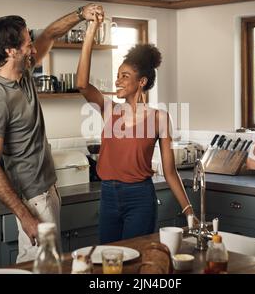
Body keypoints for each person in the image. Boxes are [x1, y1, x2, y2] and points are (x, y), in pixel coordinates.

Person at [0, 4, 104, 263]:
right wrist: (25, 216)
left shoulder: (23, 73)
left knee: (47, 264)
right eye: (27, 44)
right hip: (33, 199)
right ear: (11, 51)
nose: (33, 49)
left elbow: (49, 35)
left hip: (47, 189)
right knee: (40, 266)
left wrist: (81, 14)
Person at [76, 15, 196, 244]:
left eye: (124, 76)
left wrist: (189, 211)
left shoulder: (159, 118)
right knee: (107, 261)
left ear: (141, 81)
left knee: (136, 261)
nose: (118, 81)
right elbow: (82, 83)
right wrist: (91, 31)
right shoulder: (109, 110)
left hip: (140, 197)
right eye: (117, 75)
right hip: (108, 195)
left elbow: (170, 172)